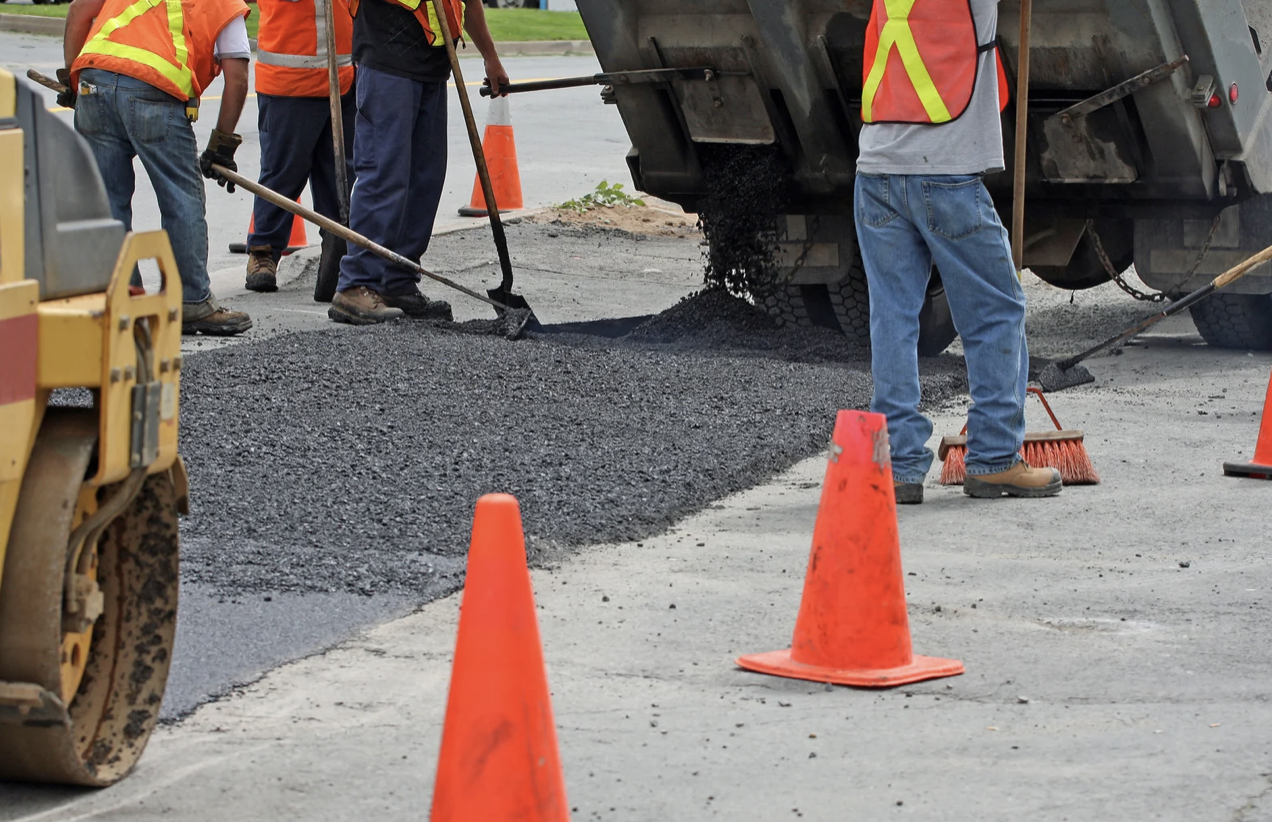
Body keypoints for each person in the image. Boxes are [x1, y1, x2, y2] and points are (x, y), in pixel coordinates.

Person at [854, 0, 1061, 502]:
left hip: (876, 169)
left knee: (893, 320)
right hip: (944, 171)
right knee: (995, 312)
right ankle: (993, 459)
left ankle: (899, 468)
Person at [62, 0, 253, 335]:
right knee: (181, 198)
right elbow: (236, 76)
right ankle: (191, 302)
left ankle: (124, 301)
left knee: (106, 201)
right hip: (153, 90)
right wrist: (221, 145)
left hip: (95, 79)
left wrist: (74, 83)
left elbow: (79, 10)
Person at [328, 0, 508, 324]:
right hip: (388, 54)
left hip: (433, 65)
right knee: (384, 173)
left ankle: (398, 278)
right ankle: (357, 284)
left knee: (425, 178)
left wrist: (490, 56)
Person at [245, 0, 357, 294]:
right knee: (283, 172)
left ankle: (337, 250)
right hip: (288, 81)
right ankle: (263, 252)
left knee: (340, 176)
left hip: (342, 78)